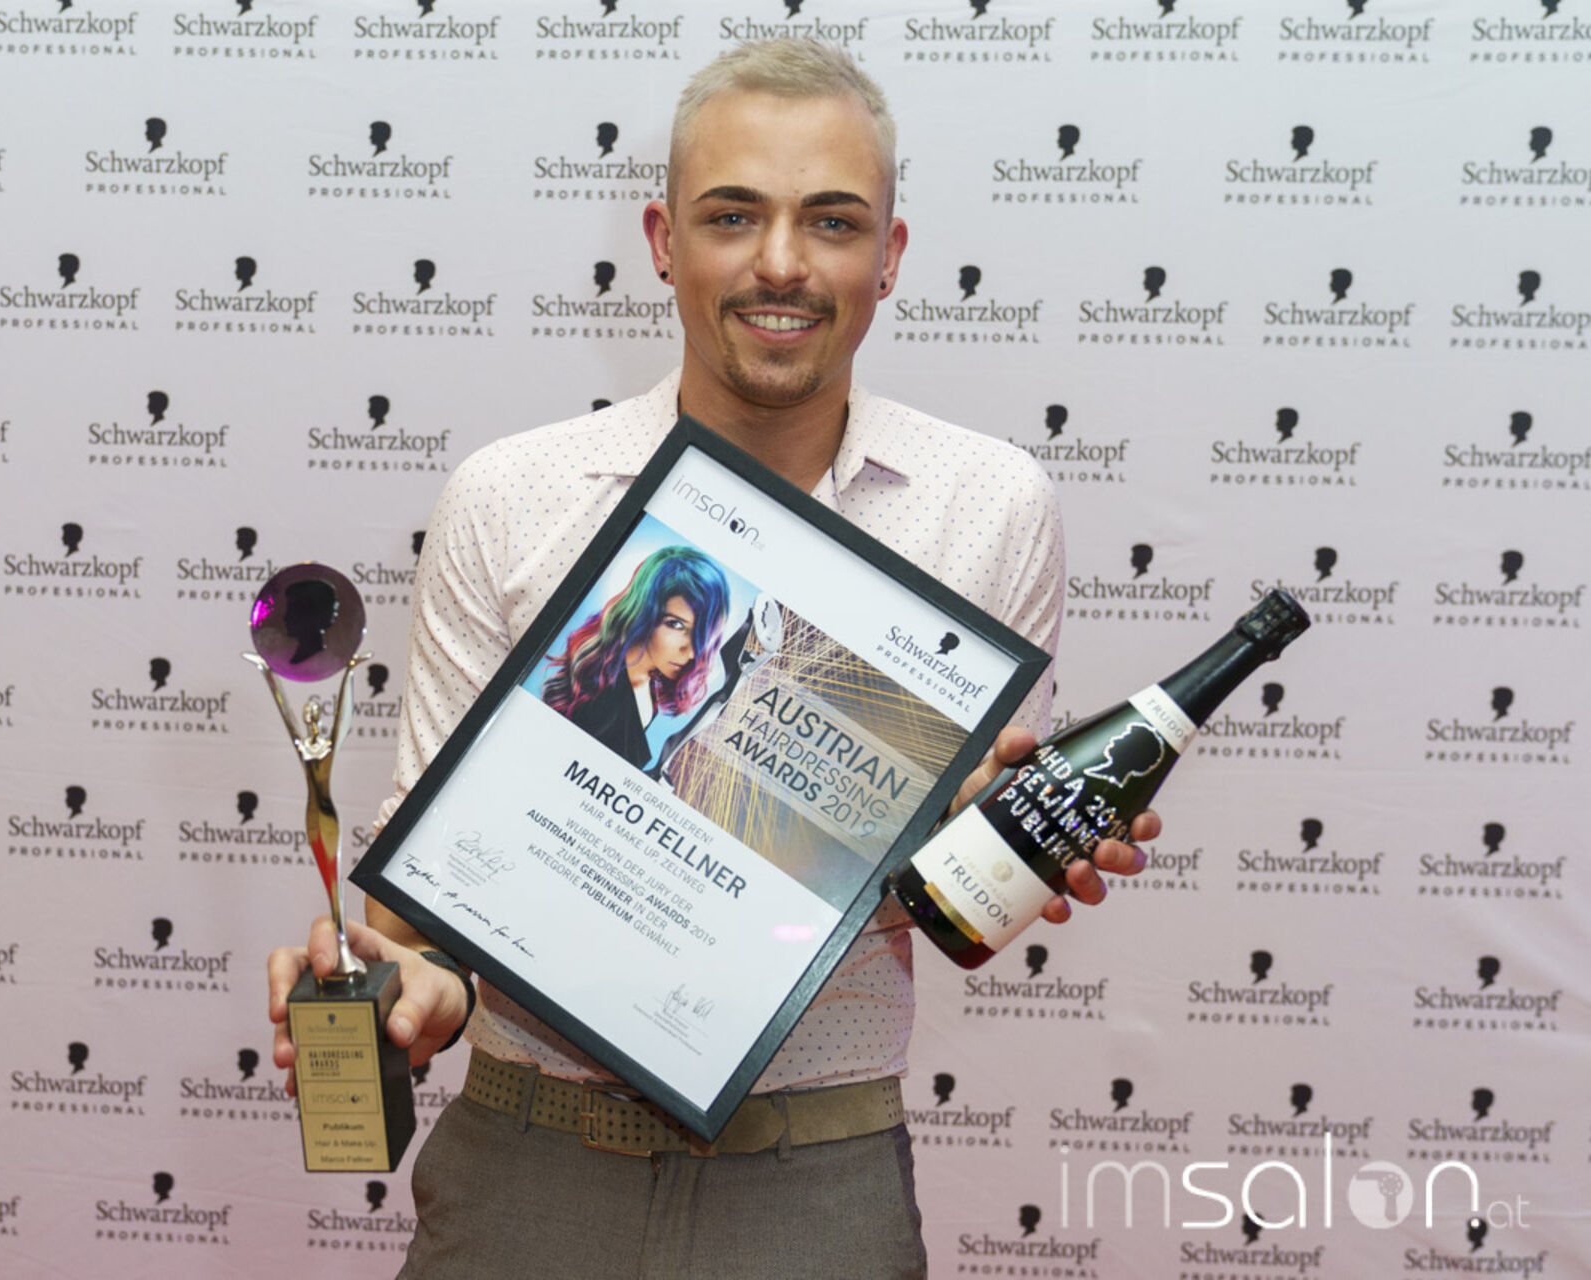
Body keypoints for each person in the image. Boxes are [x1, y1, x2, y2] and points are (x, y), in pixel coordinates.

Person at [269, 40, 1157, 1279]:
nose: (781, 262)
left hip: (818, 1180)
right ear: (662, 239)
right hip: (524, 1163)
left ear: (891, 253)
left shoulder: (990, 506)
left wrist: (984, 847)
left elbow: (956, 903)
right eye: (733, 215)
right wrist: (413, 989)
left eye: (832, 220)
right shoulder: (511, 497)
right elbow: (426, 915)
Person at [538, 544, 730, 769]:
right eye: (676, 625)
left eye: (701, 635)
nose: (691, 652)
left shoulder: (648, 683)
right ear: (643, 612)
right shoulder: (600, 698)